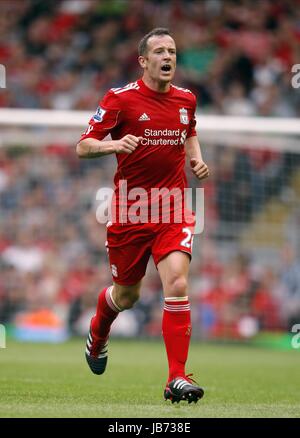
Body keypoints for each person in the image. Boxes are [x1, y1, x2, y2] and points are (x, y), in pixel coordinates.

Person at [76, 28, 209, 404]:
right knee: (127, 295)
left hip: (174, 207)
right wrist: (115, 144)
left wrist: (196, 158)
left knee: (178, 285)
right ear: (144, 60)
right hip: (130, 210)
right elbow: (82, 146)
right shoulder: (120, 99)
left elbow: (190, 131)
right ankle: (99, 332)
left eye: (173, 51)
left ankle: (176, 378)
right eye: (160, 51)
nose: (168, 57)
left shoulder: (187, 99)